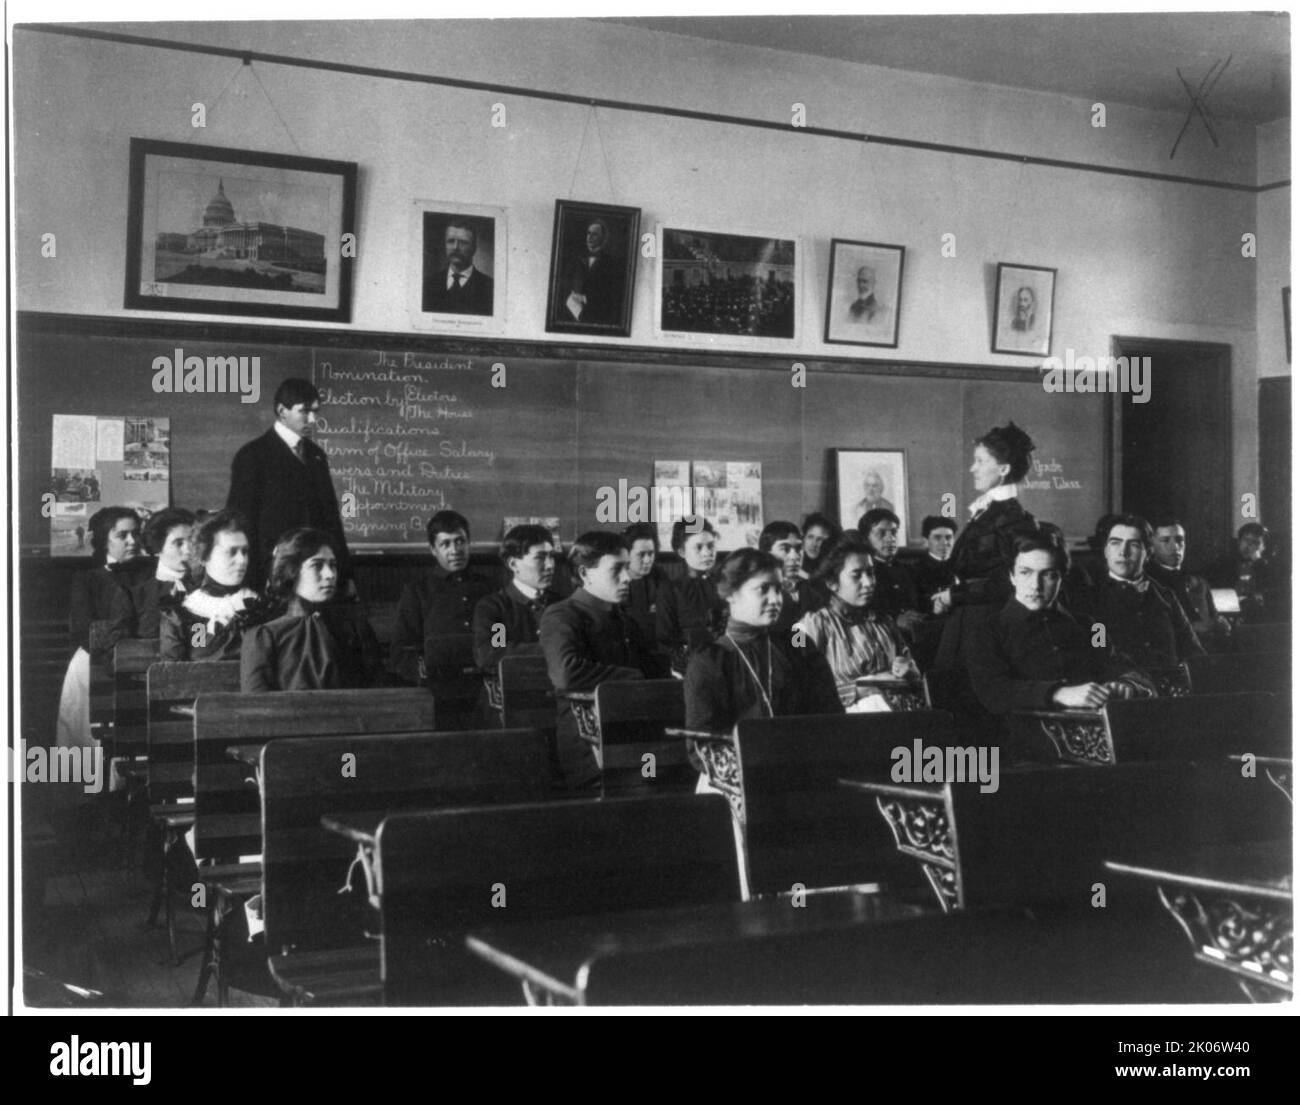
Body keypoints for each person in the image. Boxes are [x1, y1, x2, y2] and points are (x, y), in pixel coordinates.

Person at [964, 532, 1155, 720]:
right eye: (1025, 573)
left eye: (1048, 575)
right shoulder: (985, 631)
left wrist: (1125, 684)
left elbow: (1117, 663)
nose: (1036, 586)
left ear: (1061, 579)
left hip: (1097, 730)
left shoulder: (1093, 626)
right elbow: (993, 692)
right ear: (1012, 576)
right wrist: (1058, 693)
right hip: (1026, 738)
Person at [539, 531, 667, 791]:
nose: (626, 578)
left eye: (626, 568)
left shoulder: (623, 618)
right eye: (616, 570)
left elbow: (654, 669)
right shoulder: (561, 615)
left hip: (631, 736)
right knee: (648, 785)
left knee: (673, 779)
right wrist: (633, 677)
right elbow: (566, 674)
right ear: (585, 574)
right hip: (590, 744)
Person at [684, 548, 841, 743]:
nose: (776, 599)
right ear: (731, 593)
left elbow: (831, 715)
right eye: (763, 589)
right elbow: (702, 743)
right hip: (739, 769)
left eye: (778, 589)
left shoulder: (797, 644)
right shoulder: (711, 660)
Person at [226, 377, 351, 590]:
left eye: (316, 411)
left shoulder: (316, 455)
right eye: (304, 411)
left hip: (317, 576)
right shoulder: (253, 455)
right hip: (273, 576)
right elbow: (241, 523)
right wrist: (256, 577)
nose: (312, 419)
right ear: (282, 410)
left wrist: (345, 573)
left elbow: (331, 519)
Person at [932, 421, 1039, 667]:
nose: (972, 468)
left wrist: (955, 595)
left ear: (1003, 469)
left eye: (980, 461)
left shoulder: (1012, 518)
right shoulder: (988, 511)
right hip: (969, 619)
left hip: (989, 626)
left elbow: (1015, 580)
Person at [241, 528, 381, 693]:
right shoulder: (265, 637)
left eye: (333, 565)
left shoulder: (356, 631)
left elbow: (379, 696)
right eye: (317, 565)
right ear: (291, 571)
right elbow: (255, 709)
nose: (329, 574)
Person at [389, 510, 494, 728]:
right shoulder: (418, 592)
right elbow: (403, 649)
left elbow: (500, 634)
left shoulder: (489, 589)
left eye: (460, 541)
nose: (455, 550)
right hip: (439, 693)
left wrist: (498, 656)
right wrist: (426, 678)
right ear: (433, 550)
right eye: (445, 544)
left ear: (469, 543)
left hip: (486, 687)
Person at [796, 534, 919, 708]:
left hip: (900, 715)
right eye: (857, 575)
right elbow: (799, 688)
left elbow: (913, 669)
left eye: (870, 573)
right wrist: (862, 689)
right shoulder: (806, 626)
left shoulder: (884, 621)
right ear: (832, 582)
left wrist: (907, 668)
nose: (868, 582)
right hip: (847, 725)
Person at [56, 507, 142, 750]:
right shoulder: (87, 577)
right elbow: (84, 630)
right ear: (105, 539)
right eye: (122, 535)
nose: (132, 541)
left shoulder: (148, 573)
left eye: (135, 534)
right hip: (94, 664)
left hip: (137, 665)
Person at [1078, 514, 1204, 676]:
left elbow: (1193, 650)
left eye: (1134, 545)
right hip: (1122, 692)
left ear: (1149, 552)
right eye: (1115, 543)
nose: (1123, 552)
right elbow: (1099, 652)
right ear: (1105, 551)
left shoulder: (1165, 596)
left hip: (1170, 690)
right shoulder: (1093, 599)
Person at [160, 512, 268, 661]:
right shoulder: (186, 613)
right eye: (231, 552)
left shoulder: (260, 606)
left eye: (245, 552)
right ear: (204, 557)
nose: (242, 560)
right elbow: (175, 673)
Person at [472, 523, 560, 674]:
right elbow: (494, 651)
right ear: (513, 564)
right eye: (540, 558)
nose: (550, 565)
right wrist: (552, 649)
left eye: (551, 556)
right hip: (514, 691)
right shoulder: (496, 608)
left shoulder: (561, 604)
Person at [656, 518, 727, 676]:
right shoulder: (670, 590)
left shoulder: (726, 584)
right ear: (682, 552)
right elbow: (665, 639)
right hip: (688, 669)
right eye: (699, 547)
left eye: (711, 546)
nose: (707, 553)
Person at [1146, 516, 1229, 648]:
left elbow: (1213, 617)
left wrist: (1219, 623)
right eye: (1165, 540)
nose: (1175, 546)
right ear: (1152, 545)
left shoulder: (1199, 580)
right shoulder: (1147, 581)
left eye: (1180, 540)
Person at [128, 507, 196, 641]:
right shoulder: (136, 595)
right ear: (157, 547)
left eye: (193, 541)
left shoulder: (207, 589)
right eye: (179, 543)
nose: (188, 550)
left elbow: (200, 643)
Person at [857, 508, 925, 637]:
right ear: (866, 539)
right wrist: (895, 620)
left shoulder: (909, 570)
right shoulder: (863, 574)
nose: (890, 539)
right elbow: (863, 612)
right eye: (881, 533)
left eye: (894, 532)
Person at [555, 217, 625, 326]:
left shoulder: (611, 263)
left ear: (603, 238)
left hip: (599, 318)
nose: (590, 237)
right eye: (588, 233)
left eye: (595, 234)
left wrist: (584, 298)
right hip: (573, 316)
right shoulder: (578, 260)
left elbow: (611, 296)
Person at [759, 520, 822, 636]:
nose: (794, 557)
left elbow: (800, 639)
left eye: (798, 549)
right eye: (785, 549)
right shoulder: (760, 594)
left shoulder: (812, 590)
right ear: (766, 553)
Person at [421, 217, 494, 315]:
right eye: (451, 241)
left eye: (463, 242)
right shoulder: (428, 284)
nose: (455, 247)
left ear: (474, 248)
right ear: (445, 244)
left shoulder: (489, 287)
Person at [1207, 523, 1272, 623]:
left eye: (1255, 542)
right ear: (1239, 542)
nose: (1248, 546)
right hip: (1228, 615)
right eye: (1245, 540)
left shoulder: (1268, 568)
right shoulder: (1225, 563)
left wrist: (1259, 563)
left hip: (1259, 618)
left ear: (1264, 547)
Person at [621, 522, 667, 648]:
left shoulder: (658, 575)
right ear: (626, 554)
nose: (647, 560)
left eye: (651, 553)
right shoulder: (615, 581)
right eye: (641, 555)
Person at [799, 512, 840, 582]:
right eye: (810, 537)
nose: (813, 544)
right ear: (804, 538)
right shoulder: (796, 560)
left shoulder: (832, 567)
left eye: (819, 539)